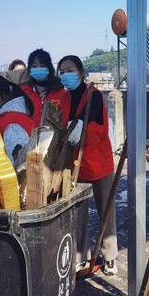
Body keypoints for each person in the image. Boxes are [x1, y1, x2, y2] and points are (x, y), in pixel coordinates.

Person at [57, 55, 118, 275]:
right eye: (62, 71)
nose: (66, 75)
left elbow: (87, 116)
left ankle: (109, 256)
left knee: (106, 210)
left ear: (81, 73)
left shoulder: (94, 95)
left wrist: (76, 126)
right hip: (75, 164)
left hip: (98, 160)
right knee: (78, 214)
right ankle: (80, 257)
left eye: (70, 70)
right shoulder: (63, 98)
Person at [21, 49, 71, 127]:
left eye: (42, 66)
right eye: (34, 66)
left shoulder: (63, 94)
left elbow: (65, 122)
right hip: (29, 134)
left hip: (55, 134)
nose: (38, 69)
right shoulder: (23, 93)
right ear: (29, 69)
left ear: (49, 68)